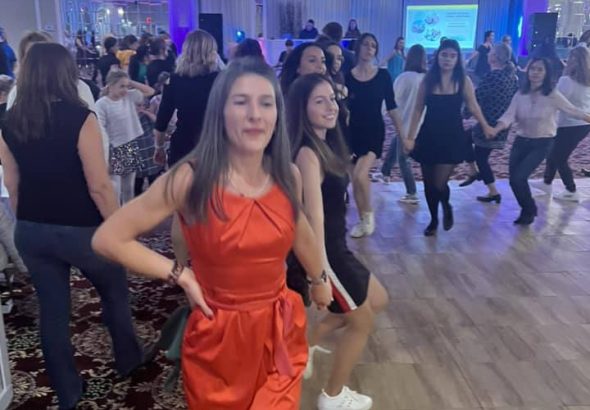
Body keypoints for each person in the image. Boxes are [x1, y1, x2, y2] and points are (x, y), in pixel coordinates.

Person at [91, 56, 332, 410]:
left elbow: (300, 231)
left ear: (278, 114)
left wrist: (318, 277)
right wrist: (180, 273)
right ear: (220, 111)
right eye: (241, 102)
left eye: (266, 103)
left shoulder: (287, 174)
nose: (255, 115)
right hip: (219, 337)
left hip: (279, 328)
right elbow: (108, 238)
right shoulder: (191, 177)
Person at [0, 43, 144, 410]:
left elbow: (12, 184)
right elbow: (99, 186)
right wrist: (120, 228)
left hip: (32, 229)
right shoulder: (81, 117)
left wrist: (29, 223)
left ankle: (68, 392)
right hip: (82, 230)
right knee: (114, 293)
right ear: (66, 74)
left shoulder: (8, 120)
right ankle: (128, 360)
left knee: (53, 313)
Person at [288, 73, 389, 410]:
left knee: (378, 299)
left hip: (337, 246)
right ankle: (332, 396)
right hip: (327, 253)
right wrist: (318, 274)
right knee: (362, 322)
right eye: (320, 101)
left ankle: (305, 347)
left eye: (332, 98)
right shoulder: (307, 153)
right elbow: (312, 217)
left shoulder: (327, 144)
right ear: (302, 109)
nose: (330, 106)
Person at [406, 39, 494, 236]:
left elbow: (473, 106)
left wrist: (485, 125)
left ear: (457, 59)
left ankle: (446, 204)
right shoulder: (427, 81)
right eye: (444, 55)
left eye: (452, 56)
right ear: (438, 56)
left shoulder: (463, 81)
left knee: (439, 183)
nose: (448, 59)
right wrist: (410, 137)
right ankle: (433, 220)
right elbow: (418, 109)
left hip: (452, 137)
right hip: (428, 136)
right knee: (429, 184)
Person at [493, 58, 590, 224]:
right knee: (514, 180)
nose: (535, 73)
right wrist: (496, 128)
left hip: (542, 143)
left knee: (519, 177)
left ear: (546, 74)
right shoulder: (520, 94)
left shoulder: (552, 94)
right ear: (527, 71)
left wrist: (587, 117)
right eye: (533, 69)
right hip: (521, 141)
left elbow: (571, 110)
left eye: (540, 69)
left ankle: (529, 211)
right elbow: (509, 115)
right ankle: (528, 209)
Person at [154, 29, 220, 265]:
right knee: (215, 209)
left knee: (181, 213)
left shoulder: (175, 80)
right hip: (214, 148)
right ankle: (211, 264)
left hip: (182, 147)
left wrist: (158, 147)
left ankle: (181, 267)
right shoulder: (221, 80)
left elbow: (161, 121)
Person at [345, 33, 405, 238]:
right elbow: (343, 108)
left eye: (373, 45)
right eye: (366, 44)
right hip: (352, 132)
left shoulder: (382, 76)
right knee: (355, 178)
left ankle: (369, 216)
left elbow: (392, 107)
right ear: (358, 48)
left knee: (360, 174)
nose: (369, 48)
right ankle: (363, 219)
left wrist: (402, 134)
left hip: (373, 131)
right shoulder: (348, 76)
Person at [464, 43, 518, 203]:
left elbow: (477, 97)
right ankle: (481, 179)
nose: (488, 54)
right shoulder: (512, 76)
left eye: (491, 52)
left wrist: (465, 113)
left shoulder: (493, 76)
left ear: (494, 57)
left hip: (488, 125)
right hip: (502, 124)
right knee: (473, 148)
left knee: (479, 157)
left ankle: (491, 189)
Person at [95, 71, 155, 204]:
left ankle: (128, 212)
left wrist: (130, 82)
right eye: (121, 86)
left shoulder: (129, 97)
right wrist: (106, 154)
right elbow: (100, 128)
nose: (125, 90)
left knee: (128, 188)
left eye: (127, 86)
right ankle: (115, 212)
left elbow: (150, 91)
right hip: (113, 148)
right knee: (115, 188)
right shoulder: (102, 104)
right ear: (111, 86)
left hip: (129, 145)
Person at [540, 47, 590, 202]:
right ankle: (546, 182)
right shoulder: (587, 82)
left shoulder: (566, 80)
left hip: (569, 124)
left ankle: (571, 189)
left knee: (559, 156)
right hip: (584, 124)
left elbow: (556, 100)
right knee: (553, 152)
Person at [381, 44, 426, 203]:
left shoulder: (405, 77)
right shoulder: (426, 78)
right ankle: (385, 172)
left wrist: (382, 112)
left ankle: (412, 192)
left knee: (403, 159)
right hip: (420, 124)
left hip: (404, 122)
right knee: (396, 142)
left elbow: (392, 99)